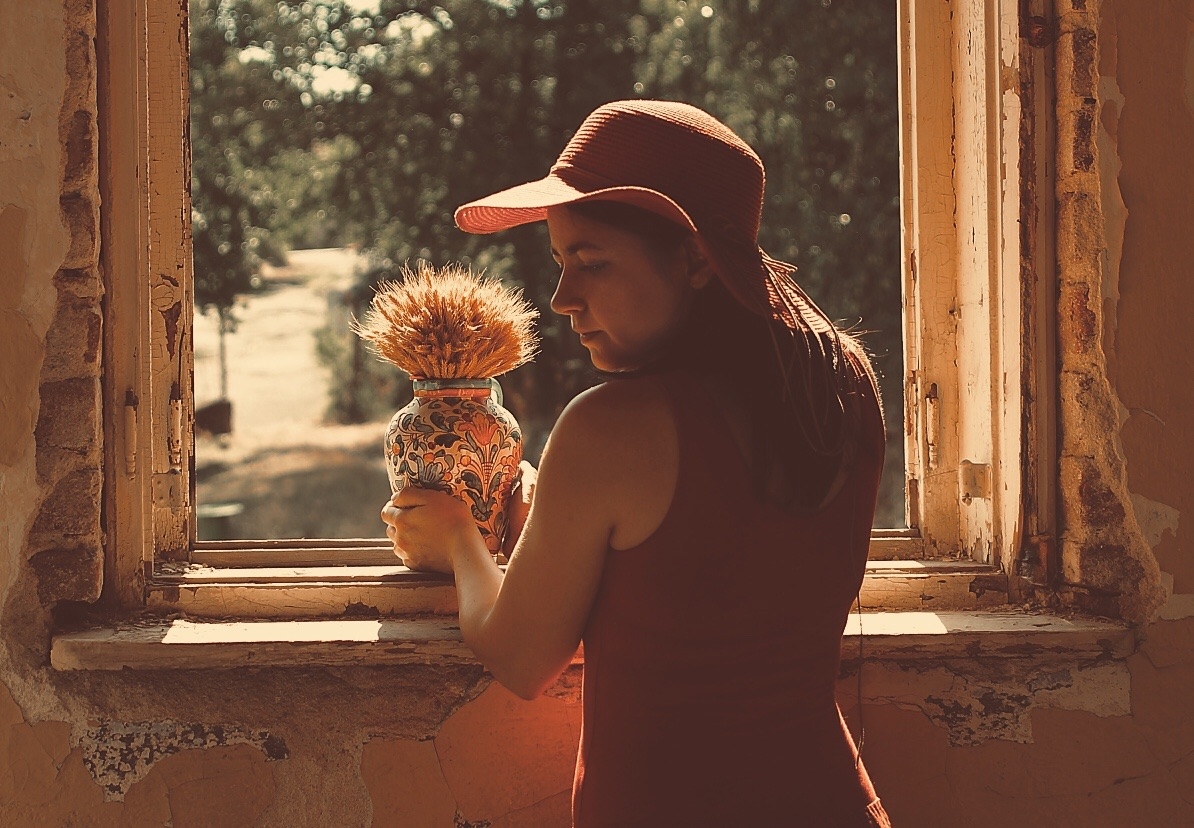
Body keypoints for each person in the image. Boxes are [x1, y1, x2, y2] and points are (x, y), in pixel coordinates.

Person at [381, 100, 891, 827]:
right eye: (560, 263)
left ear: (695, 260)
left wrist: (458, 537)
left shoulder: (609, 429)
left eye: (591, 263)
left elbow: (521, 658)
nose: (562, 299)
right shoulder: (843, 385)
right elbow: (722, 559)